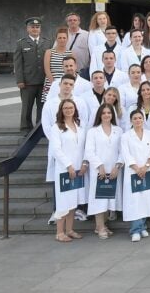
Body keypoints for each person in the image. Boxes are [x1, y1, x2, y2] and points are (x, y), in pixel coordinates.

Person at [47, 99, 88, 242]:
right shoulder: (56, 127)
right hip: (65, 170)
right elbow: (56, 150)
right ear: (61, 110)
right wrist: (68, 165)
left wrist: (84, 163)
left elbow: (83, 147)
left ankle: (70, 229)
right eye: (65, 108)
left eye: (71, 107)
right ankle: (59, 232)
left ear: (75, 109)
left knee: (73, 201)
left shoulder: (79, 126)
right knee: (64, 201)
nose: (68, 110)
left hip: (78, 170)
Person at [121, 109, 150, 242]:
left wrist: (146, 166)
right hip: (133, 172)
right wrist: (137, 169)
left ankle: (142, 226)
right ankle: (135, 230)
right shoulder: (126, 136)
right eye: (135, 118)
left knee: (146, 200)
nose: (138, 120)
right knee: (135, 201)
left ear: (143, 120)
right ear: (131, 121)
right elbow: (126, 154)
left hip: (148, 170)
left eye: (140, 118)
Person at [85, 103, 122, 239]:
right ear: (99, 115)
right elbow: (89, 151)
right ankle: (100, 227)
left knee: (109, 199)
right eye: (104, 113)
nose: (106, 115)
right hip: (98, 171)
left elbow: (122, 151)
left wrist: (117, 166)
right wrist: (99, 166)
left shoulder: (118, 130)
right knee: (99, 199)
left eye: (109, 113)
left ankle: (102, 225)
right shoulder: (93, 131)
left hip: (114, 170)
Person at [15, 17, 49, 132]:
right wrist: (20, 80)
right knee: (27, 106)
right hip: (27, 81)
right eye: (32, 27)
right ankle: (25, 127)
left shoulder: (47, 42)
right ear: (27, 28)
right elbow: (18, 63)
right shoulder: (21, 43)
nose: (35, 29)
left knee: (42, 106)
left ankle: (40, 127)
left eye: (37, 27)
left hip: (44, 80)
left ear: (40, 29)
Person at [42, 27, 72, 103]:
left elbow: (72, 70)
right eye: (60, 38)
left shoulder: (71, 53)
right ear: (56, 39)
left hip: (66, 85)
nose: (62, 40)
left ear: (67, 39)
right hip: (51, 83)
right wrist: (54, 84)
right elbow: (47, 69)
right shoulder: (49, 52)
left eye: (64, 38)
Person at [64, 12, 90, 78]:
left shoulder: (87, 35)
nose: (72, 22)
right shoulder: (63, 34)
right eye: (70, 20)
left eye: (75, 20)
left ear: (79, 22)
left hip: (82, 71)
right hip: (66, 70)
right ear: (67, 22)